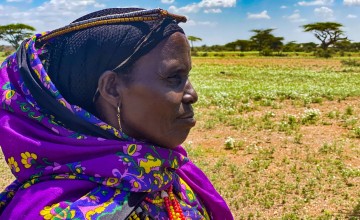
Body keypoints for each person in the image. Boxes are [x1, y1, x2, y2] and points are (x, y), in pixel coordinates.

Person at [0, 8, 233, 220]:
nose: (192, 94)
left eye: (187, 76)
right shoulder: (56, 211)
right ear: (112, 88)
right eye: (174, 77)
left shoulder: (167, 172)